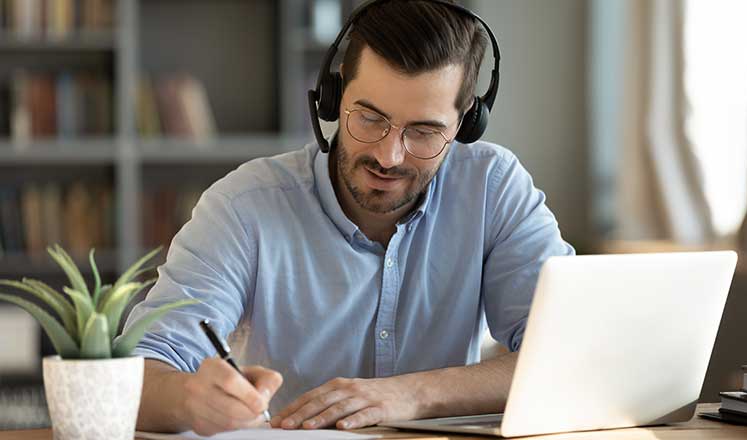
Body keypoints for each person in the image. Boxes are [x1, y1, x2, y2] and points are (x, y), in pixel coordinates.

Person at [124, 0, 574, 436]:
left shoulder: (493, 189)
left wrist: (410, 395)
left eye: (424, 132)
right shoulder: (244, 206)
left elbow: (570, 353)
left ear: (465, 125)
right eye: (370, 118)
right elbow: (135, 376)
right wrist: (189, 399)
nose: (388, 155)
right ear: (334, 97)